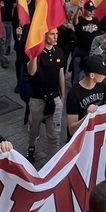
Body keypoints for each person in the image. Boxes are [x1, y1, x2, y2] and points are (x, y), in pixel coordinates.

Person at [27, 28, 66, 166]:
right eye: (52, 34)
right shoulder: (36, 52)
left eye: (57, 34)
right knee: (33, 128)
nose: (56, 37)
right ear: (44, 35)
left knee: (54, 134)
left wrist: (62, 96)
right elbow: (31, 72)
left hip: (55, 99)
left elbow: (61, 73)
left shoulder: (59, 52)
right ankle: (31, 147)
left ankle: (53, 163)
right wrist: (34, 55)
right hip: (38, 100)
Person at [66, 55, 106, 138]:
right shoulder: (74, 94)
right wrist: (88, 116)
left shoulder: (101, 85)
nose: (105, 75)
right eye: (102, 73)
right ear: (92, 75)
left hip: (96, 133)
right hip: (81, 139)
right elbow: (72, 130)